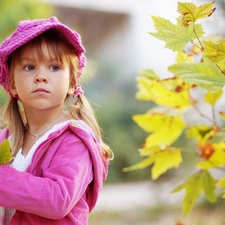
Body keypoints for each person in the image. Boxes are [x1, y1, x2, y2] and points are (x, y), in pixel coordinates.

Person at [0, 16, 113, 225]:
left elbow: (57, 199)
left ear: (71, 82)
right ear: (13, 84)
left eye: (54, 67)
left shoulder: (75, 140)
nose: (41, 76)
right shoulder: (6, 139)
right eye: (29, 67)